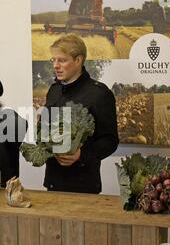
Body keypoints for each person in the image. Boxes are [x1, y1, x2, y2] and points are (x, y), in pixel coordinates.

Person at [44, 34, 119, 194]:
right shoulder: (54, 91)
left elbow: (110, 140)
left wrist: (81, 154)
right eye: (53, 60)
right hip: (52, 182)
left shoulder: (100, 94)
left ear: (78, 60)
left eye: (62, 60)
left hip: (84, 185)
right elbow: (44, 130)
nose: (56, 65)